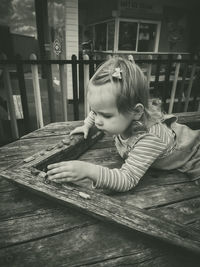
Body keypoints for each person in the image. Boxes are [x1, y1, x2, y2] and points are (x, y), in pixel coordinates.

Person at [47, 57, 200, 192]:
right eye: (95, 111)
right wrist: (86, 124)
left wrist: (89, 170)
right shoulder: (119, 114)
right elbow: (95, 112)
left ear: (136, 112)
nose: (98, 120)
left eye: (106, 115)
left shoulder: (148, 139)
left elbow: (127, 179)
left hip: (190, 153)